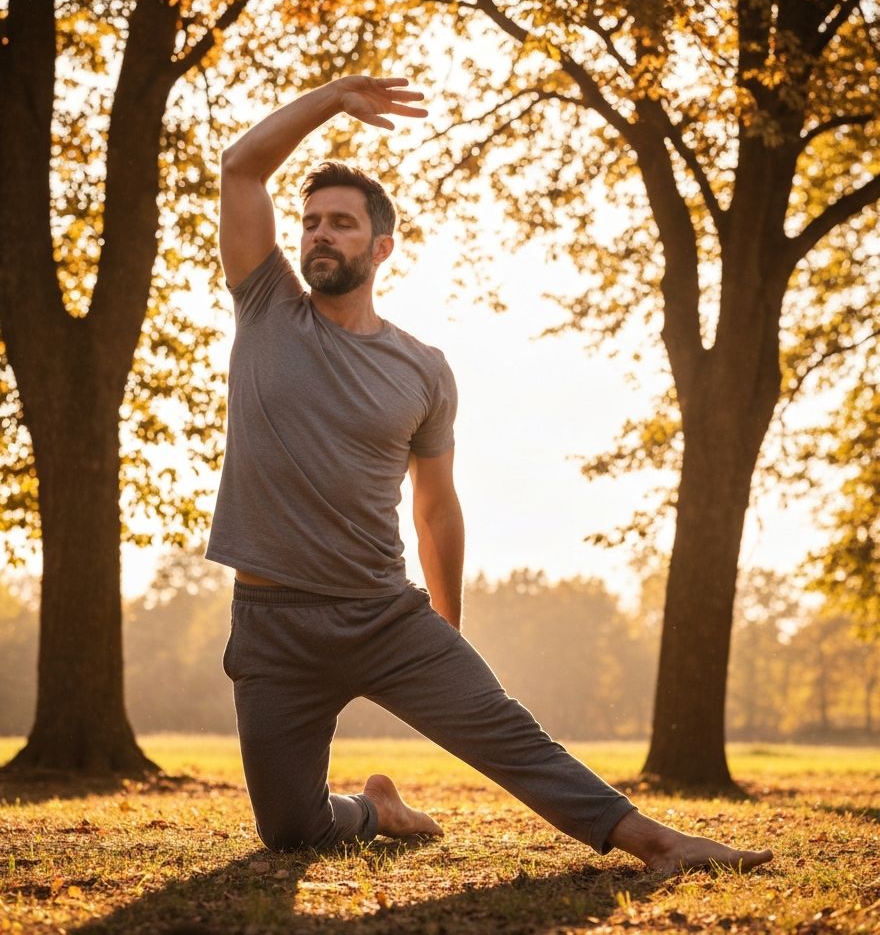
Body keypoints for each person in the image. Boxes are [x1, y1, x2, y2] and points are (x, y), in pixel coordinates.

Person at [206, 75, 772, 874]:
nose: (319, 237)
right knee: (291, 831)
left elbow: (437, 511)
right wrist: (335, 97)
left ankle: (661, 844)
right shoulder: (267, 306)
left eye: (341, 223)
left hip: (382, 615)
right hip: (273, 624)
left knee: (514, 739)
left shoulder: (423, 370)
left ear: (381, 247)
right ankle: (378, 810)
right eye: (310, 225)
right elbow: (239, 169)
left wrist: (445, 627)